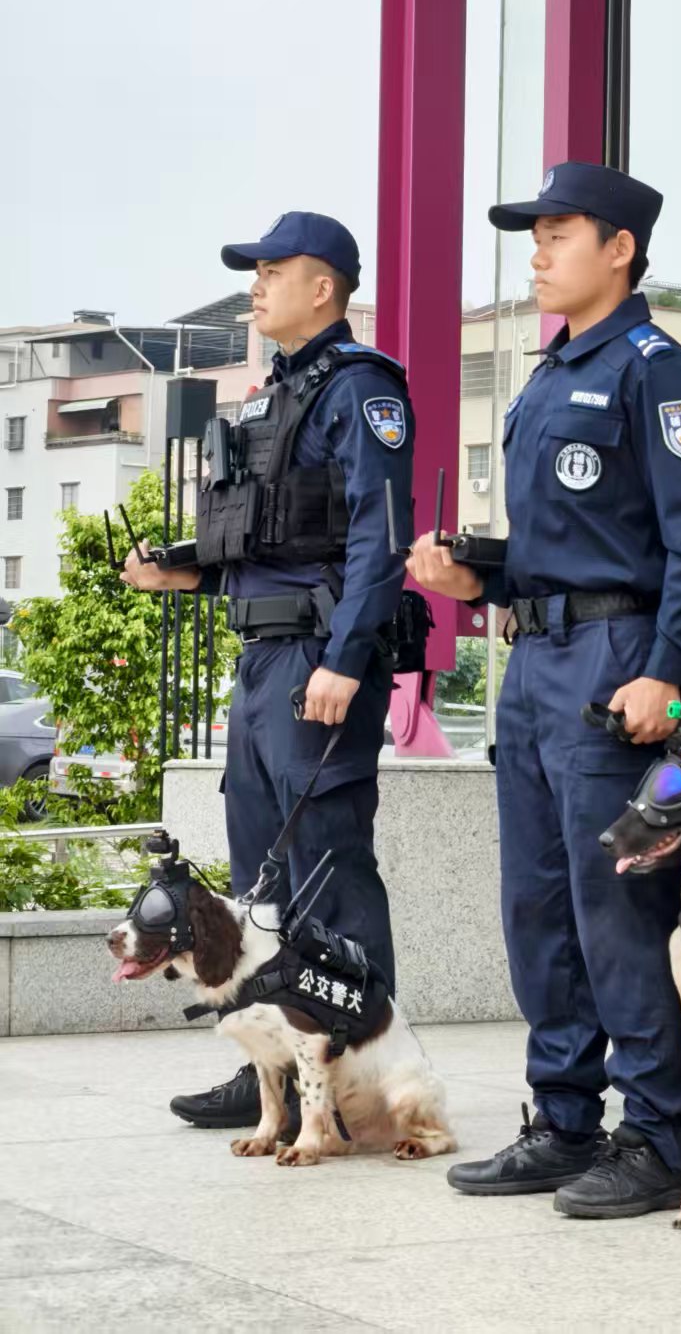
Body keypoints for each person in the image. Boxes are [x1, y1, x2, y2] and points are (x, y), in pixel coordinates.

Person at [407, 163, 681, 1219]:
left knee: (615, 908)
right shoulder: (551, 376)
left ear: (621, 249)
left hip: (615, 668)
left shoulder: (660, 371)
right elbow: (562, 546)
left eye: (559, 233)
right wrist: (478, 576)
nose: (538, 251)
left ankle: (652, 1135)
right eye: (535, 235)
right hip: (535, 663)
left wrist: (666, 667)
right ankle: (562, 1119)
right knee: (538, 904)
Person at [122, 211, 414, 1130]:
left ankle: (367, 1076)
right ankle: (270, 1077)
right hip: (258, 660)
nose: (254, 286)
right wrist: (185, 570)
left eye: (270, 271)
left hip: (315, 661)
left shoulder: (363, 390)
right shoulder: (270, 396)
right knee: (261, 888)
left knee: (327, 876)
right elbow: (267, 537)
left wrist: (346, 658)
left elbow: (379, 539)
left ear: (322, 286)